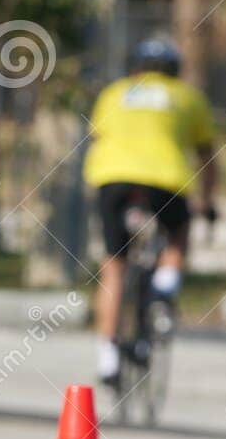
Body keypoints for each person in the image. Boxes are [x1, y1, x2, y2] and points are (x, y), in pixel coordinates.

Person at [83, 37, 218, 388]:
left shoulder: (114, 92)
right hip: (165, 181)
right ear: (175, 70)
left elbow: (96, 139)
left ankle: (107, 359)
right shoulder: (187, 96)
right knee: (178, 231)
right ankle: (165, 285)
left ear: (136, 67)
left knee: (114, 266)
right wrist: (207, 201)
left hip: (112, 180)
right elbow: (207, 157)